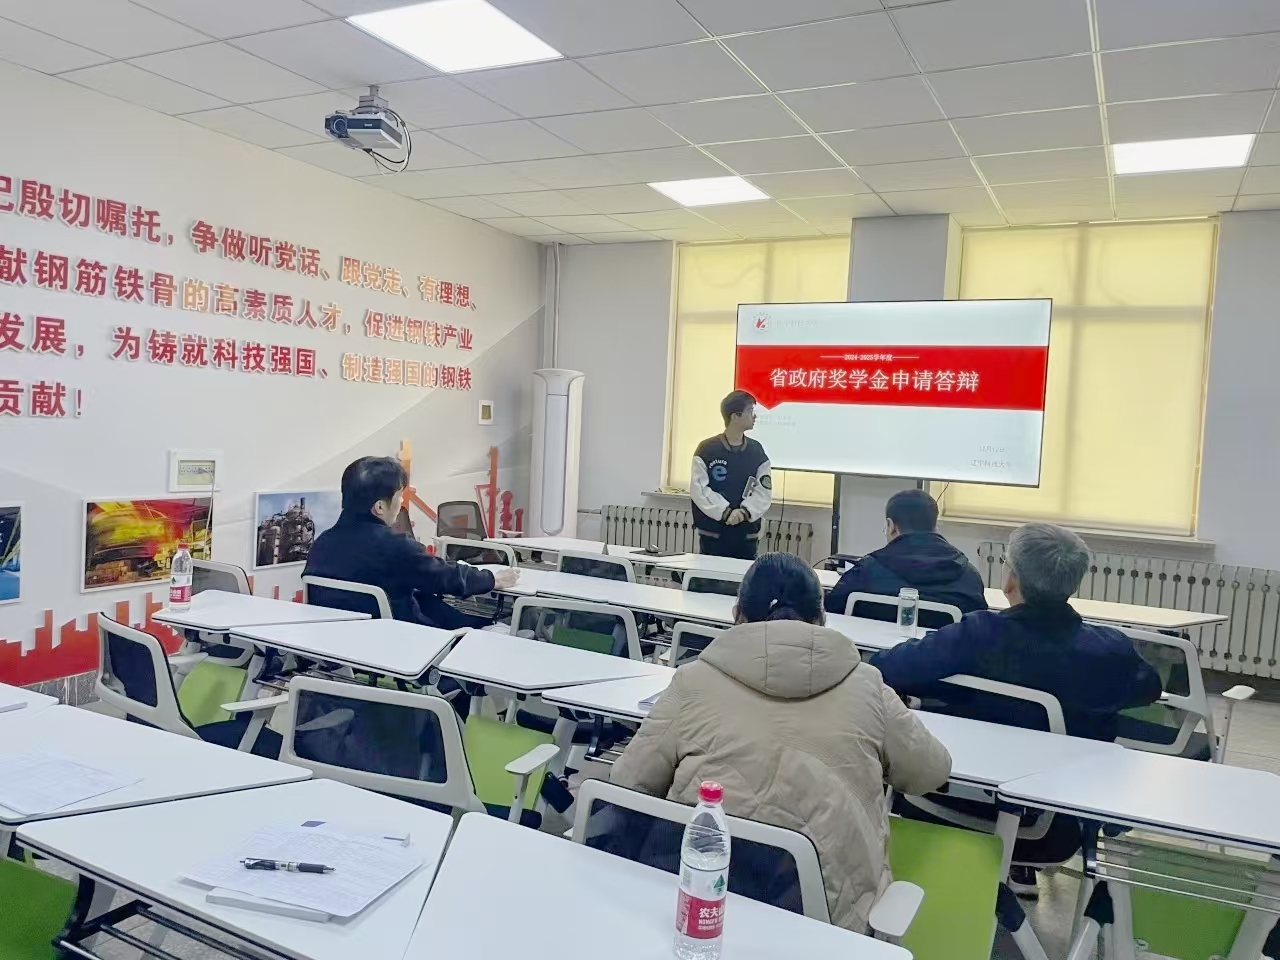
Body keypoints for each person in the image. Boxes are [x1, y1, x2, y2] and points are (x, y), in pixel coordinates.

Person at [610, 552, 952, 932]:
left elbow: (627, 784)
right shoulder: (868, 686)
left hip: (697, 910)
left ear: (737, 614)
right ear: (821, 619)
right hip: (825, 930)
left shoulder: (693, 681)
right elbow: (931, 772)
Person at [868, 521, 1161, 896]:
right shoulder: (1110, 650)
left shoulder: (977, 634)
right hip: (1057, 826)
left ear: (1011, 580)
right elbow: (1149, 689)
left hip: (945, 802)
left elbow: (887, 668)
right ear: (1073, 585)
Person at [303, 456, 519, 629]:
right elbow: (444, 576)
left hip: (339, 643)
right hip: (398, 644)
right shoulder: (394, 547)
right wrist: (492, 579)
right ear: (379, 507)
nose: (401, 503)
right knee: (494, 630)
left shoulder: (321, 545)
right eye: (399, 496)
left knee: (426, 600)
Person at [826, 488, 987, 620]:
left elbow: (830, 611)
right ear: (935, 525)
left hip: (871, 651)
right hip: (946, 652)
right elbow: (979, 628)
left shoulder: (865, 571)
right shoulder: (969, 576)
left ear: (890, 526)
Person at [690, 390, 772, 560]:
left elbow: (763, 490)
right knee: (710, 574)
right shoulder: (707, 449)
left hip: (746, 534)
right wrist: (726, 512)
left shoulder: (756, 451)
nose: (755, 416)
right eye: (750, 411)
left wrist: (744, 512)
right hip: (713, 534)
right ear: (735, 416)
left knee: (744, 575)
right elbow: (699, 489)